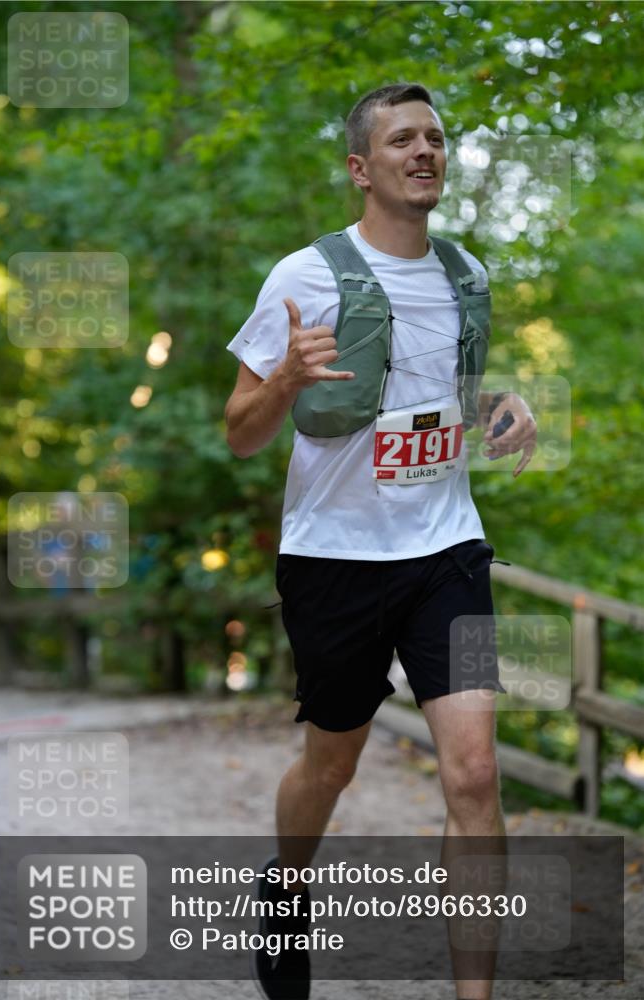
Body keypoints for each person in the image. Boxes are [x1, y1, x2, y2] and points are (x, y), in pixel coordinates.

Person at [225, 82, 537, 1000]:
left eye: (434, 138)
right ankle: (285, 887)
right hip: (334, 559)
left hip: (447, 551)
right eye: (402, 139)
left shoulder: (466, 273)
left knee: (474, 773)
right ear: (362, 167)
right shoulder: (304, 276)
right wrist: (284, 375)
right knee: (332, 764)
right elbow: (240, 431)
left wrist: (498, 408)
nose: (424, 151)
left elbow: (434, 397)